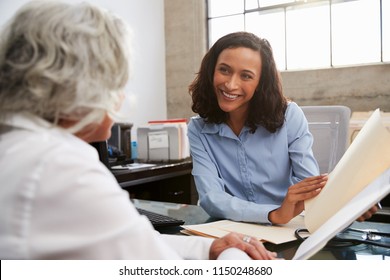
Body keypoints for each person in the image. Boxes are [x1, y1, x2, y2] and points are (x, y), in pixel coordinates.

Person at [0, 1, 276, 260]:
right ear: (85, 87)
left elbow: (132, 240)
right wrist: (234, 258)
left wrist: (209, 247)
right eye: (120, 81)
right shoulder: (62, 167)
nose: (121, 96)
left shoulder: (22, 146)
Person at [188, 31, 378, 225]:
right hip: (232, 228)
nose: (230, 84)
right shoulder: (198, 129)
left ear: (260, 83)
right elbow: (211, 198)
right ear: (212, 70)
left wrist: (344, 200)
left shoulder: (289, 116)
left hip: (289, 227)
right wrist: (273, 214)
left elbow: (309, 185)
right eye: (224, 70)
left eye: (246, 76)